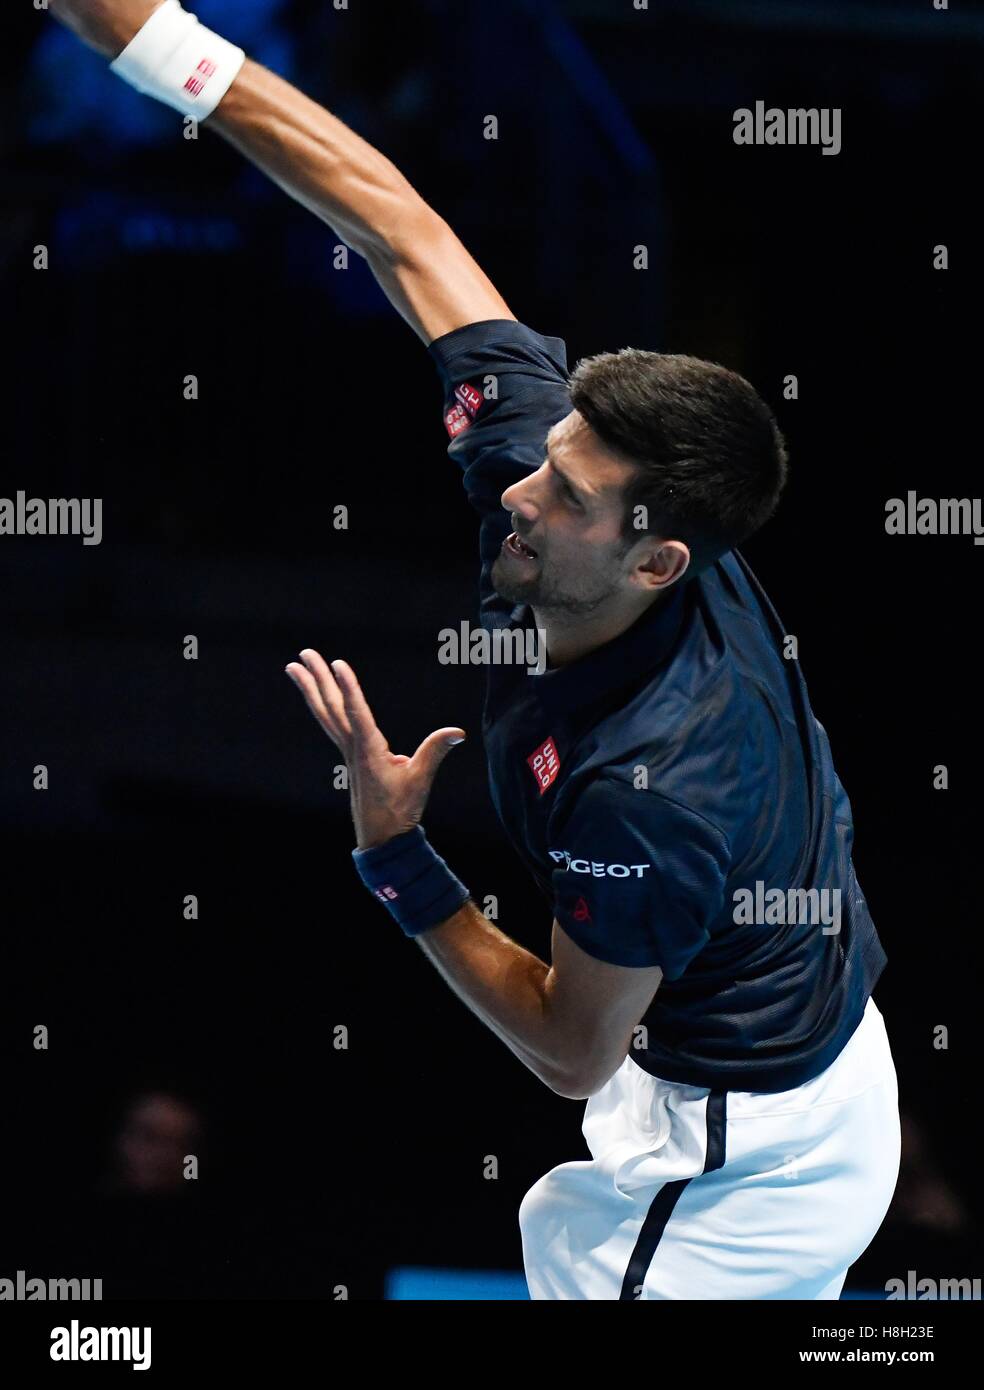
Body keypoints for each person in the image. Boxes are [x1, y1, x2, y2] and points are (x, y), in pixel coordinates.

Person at [48, 0, 901, 1300]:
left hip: (740, 1169)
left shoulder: (645, 784)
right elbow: (396, 220)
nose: (517, 492)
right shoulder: (597, 492)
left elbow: (573, 1048)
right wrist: (149, 31)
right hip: (824, 1044)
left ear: (653, 560)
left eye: (564, 497)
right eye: (545, 460)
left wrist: (401, 859)